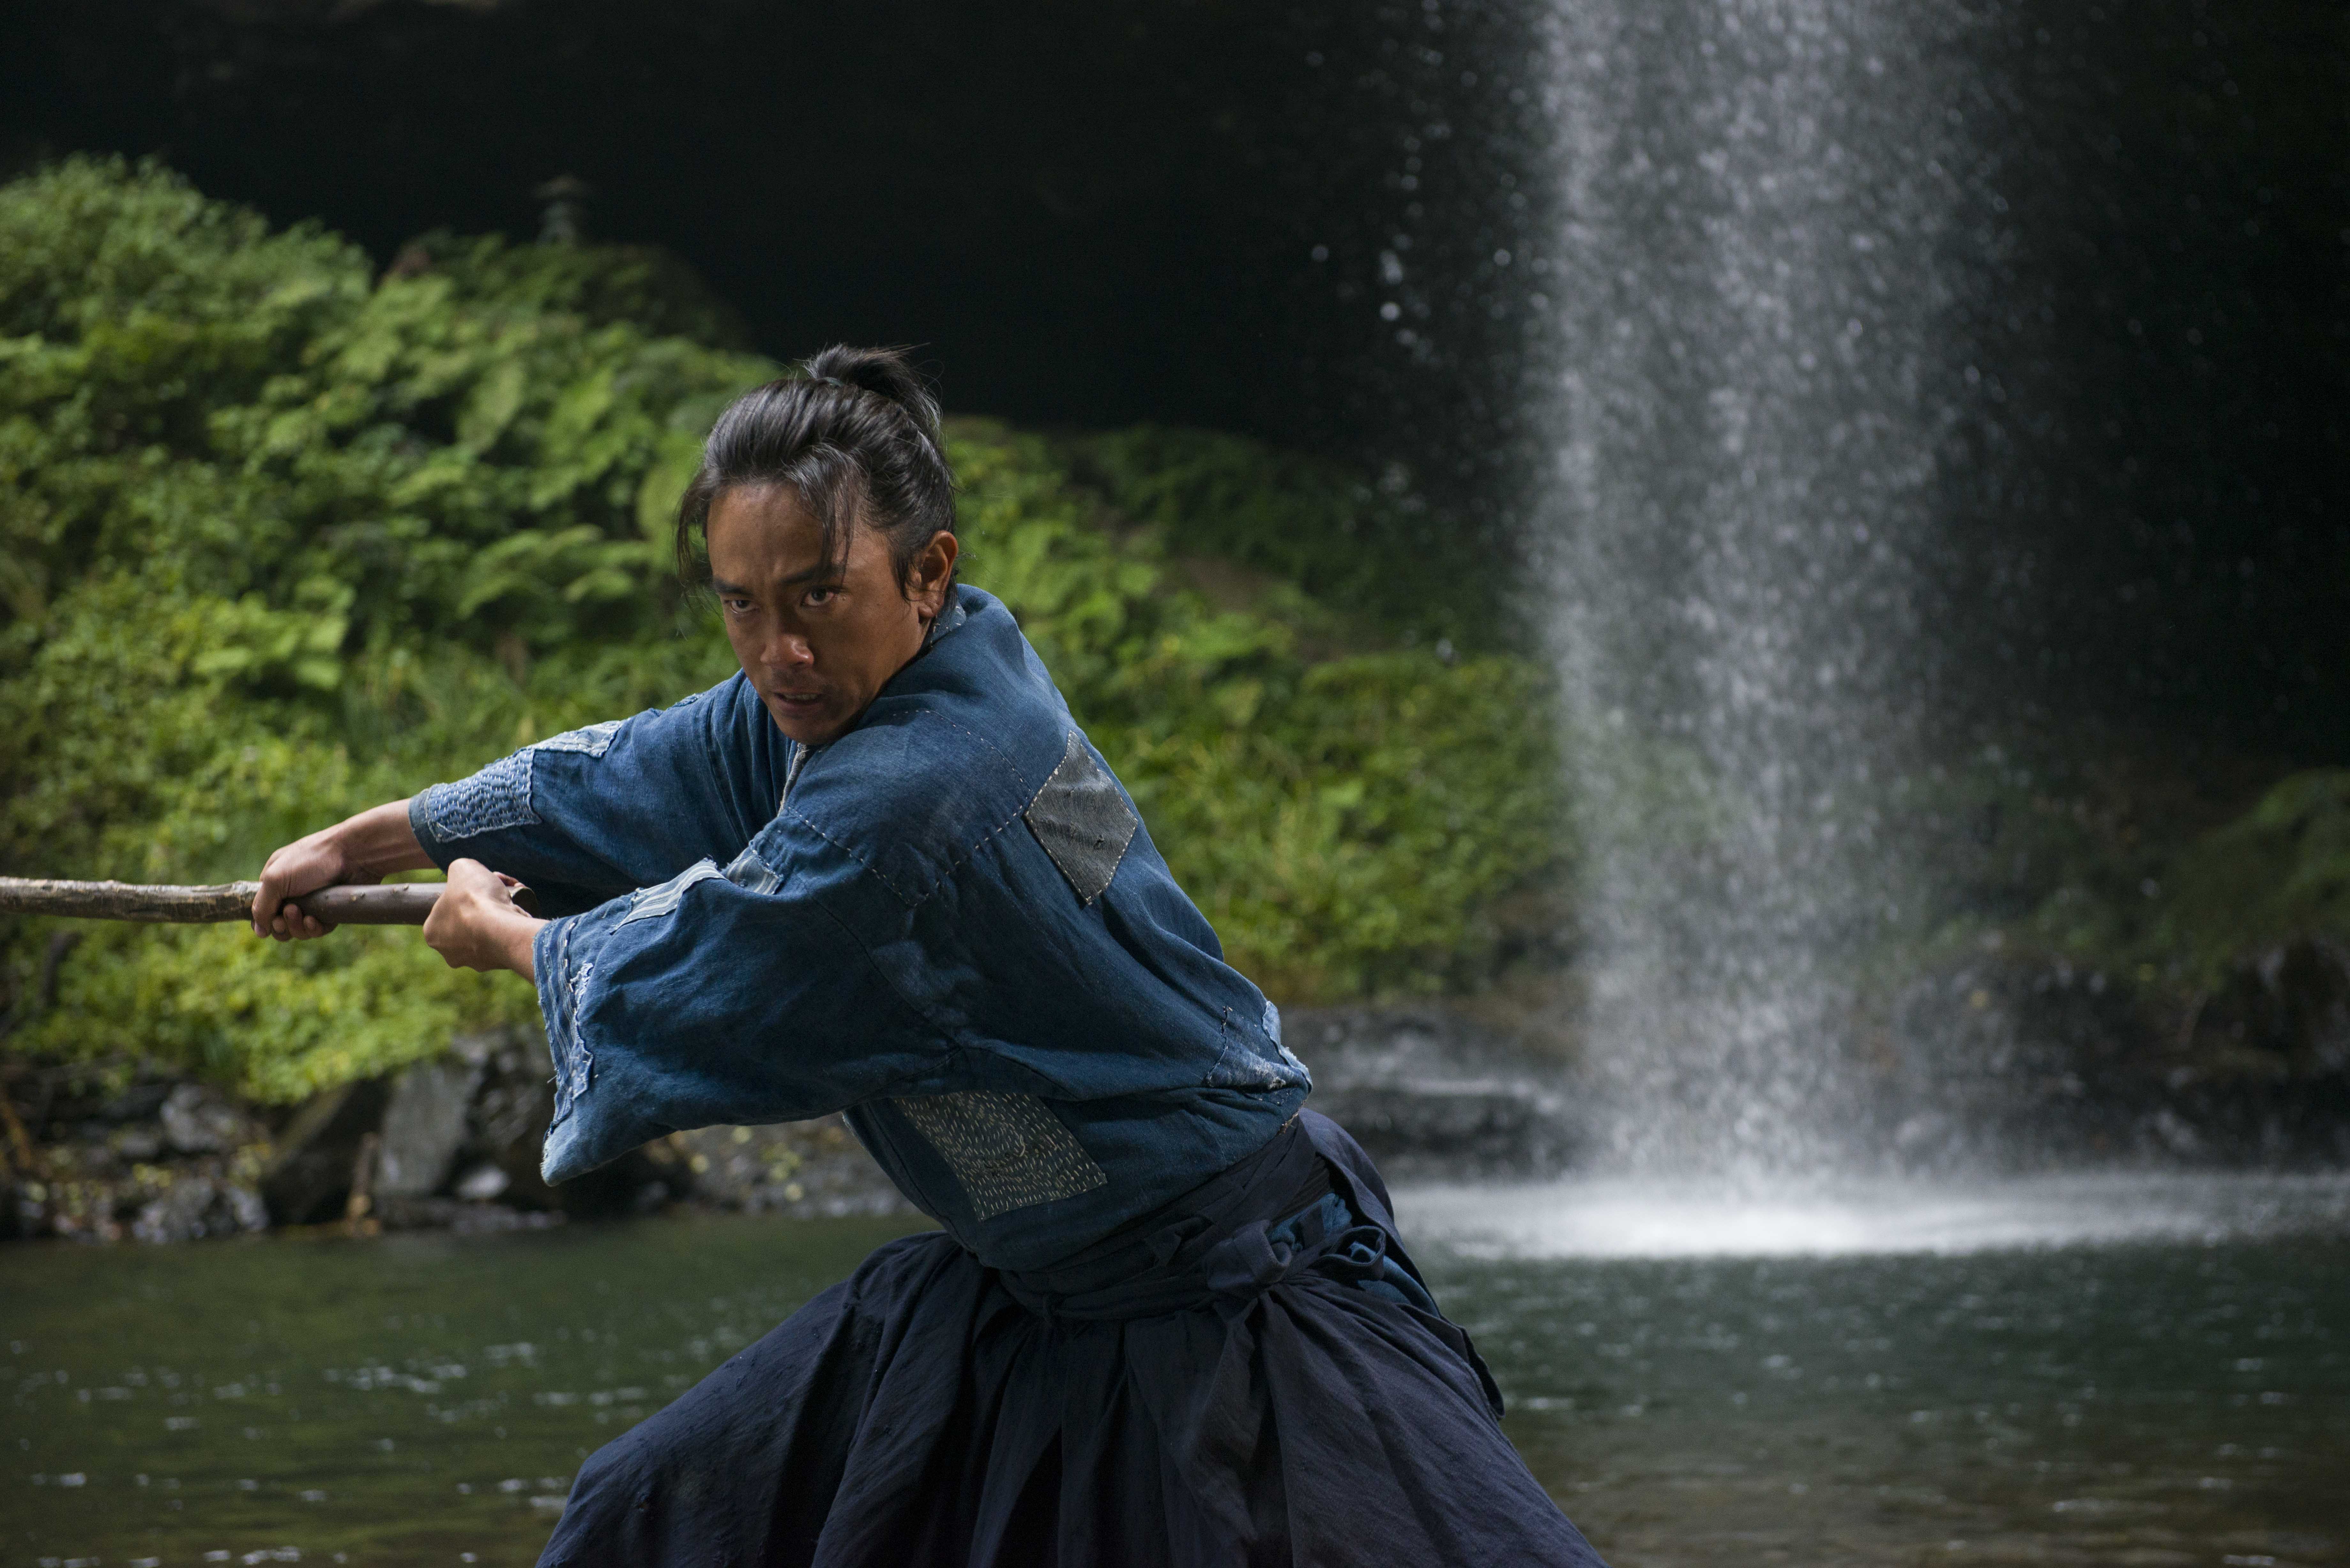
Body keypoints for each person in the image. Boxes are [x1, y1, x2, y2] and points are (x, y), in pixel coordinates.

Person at [252, 346, 1607, 1568]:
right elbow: (643, 768)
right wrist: (369, 838)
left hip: (1238, 1297)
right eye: (740, 604)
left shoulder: (918, 786)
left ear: (929, 573)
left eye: (817, 597)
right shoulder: (862, 690)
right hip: (1035, 1292)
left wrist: (505, 937)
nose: (776, 650)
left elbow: (737, 958)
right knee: (654, 1515)